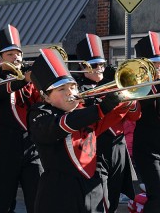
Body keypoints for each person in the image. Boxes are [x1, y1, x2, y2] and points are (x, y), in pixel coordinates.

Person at [28, 48, 131, 212]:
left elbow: (111, 118)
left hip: (92, 188)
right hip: (59, 193)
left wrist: (125, 98)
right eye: (61, 89)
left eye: (73, 87)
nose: (70, 92)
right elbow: (56, 126)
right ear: (46, 96)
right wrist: (100, 109)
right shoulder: (40, 114)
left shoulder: (84, 112)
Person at [75, 34, 140, 212]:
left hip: (118, 148)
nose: (100, 69)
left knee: (112, 200)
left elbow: (134, 117)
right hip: (96, 149)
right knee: (98, 201)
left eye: (102, 64)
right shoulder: (77, 90)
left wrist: (131, 99)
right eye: (94, 65)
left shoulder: (113, 84)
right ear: (82, 66)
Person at [0, 25, 42, 213]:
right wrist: (23, 81)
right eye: (10, 54)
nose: (17, 57)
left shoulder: (29, 79)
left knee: (38, 199)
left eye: (18, 53)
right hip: (4, 147)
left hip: (31, 146)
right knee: (1, 201)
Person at [132, 31, 160, 211]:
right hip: (148, 152)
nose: (158, 66)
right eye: (154, 63)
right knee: (157, 196)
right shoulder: (139, 87)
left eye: (159, 62)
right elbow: (136, 110)